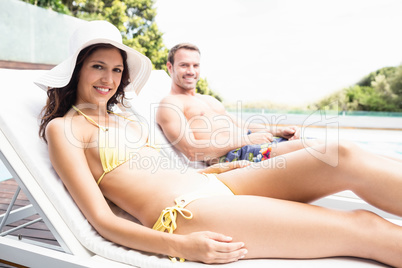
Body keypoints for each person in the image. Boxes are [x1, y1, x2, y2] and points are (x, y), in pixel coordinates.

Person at [37, 20, 402, 267]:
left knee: (339, 154)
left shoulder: (125, 118)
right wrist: (180, 246)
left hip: (217, 183)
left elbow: (158, 170)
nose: (109, 78)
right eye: (98, 67)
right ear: (77, 69)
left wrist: (222, 166)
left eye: (116, 70)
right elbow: (100, 221)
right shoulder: (65, 129)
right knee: (363, 226)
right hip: (187, 213)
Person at [156, 43, 302, 164]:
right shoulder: (170, 103)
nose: (191, 71)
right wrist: (246, 140)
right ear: (170, 67)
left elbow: (241, 125)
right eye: (184, 65)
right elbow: (191, 150)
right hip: (237, 154)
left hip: (254, 141)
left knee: (318, 145)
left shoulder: (207, 99)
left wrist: (277, 131)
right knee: (317, 151)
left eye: (196, 65)